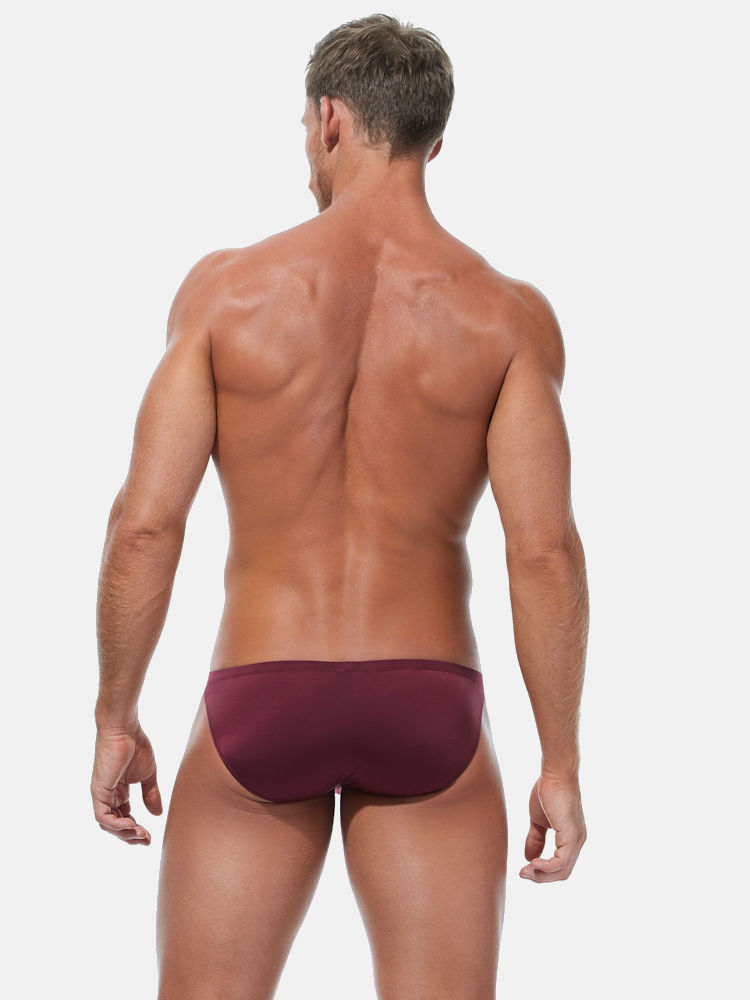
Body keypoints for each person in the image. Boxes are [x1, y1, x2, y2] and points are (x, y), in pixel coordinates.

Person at [90, 12, 589, 999]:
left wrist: (116, 714)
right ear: (434, 140)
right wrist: (560, 762)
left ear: (328, 120)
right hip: (429, 704)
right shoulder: (508, 316)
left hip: (261, 692)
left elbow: (145, 525)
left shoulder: (224, 293)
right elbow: (545, 554)